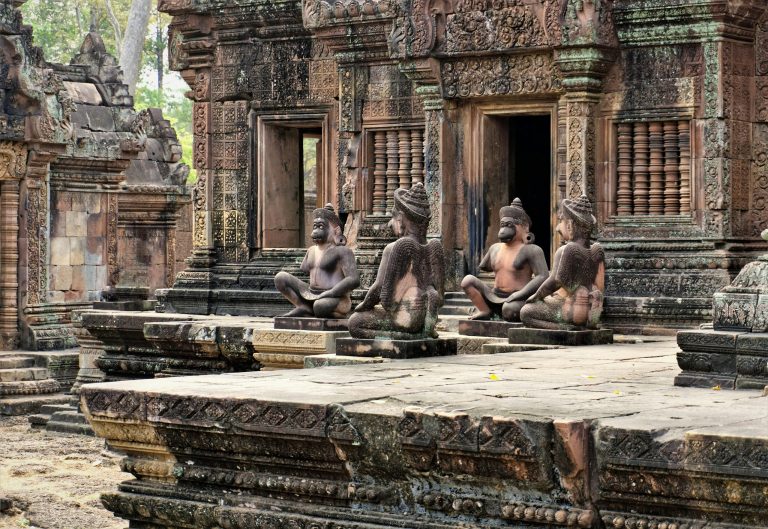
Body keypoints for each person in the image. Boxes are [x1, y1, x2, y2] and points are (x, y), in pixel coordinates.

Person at [349, 182, 444, 339]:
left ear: (401, 218)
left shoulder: (397, 247)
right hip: (423, 319)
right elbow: (439, 297)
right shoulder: (434, 246)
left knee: (354, 323)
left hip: (403, 318)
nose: (390, 223)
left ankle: (406, 338)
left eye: (393, 216)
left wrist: (363, 305)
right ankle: (420, 333)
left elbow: (380, 289)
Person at [520, 195, 605, 330]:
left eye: (561, 221)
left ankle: (563, 328)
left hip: (568, 310)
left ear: (570, 225)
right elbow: (599, 286)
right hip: (588, 312)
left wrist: (536, 296)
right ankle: (581, 324)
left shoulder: (568, 249)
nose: (558, 228)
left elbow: (555, 281)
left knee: (525, 312)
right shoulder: (597, 250)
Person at [461, 198, 549, 321]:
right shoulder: (494, 248)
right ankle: (484, 310)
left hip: (518, 298)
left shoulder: (532, 250)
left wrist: (520, 294)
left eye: (509, 224)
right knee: (467, 280)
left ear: (524, 227)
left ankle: (501, 311)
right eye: (502, 224)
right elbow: (485, 267)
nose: (504, 228)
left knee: (508, 310)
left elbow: (543, 276)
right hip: (494, 295)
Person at [274, 204, 360, 318]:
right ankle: (303, 307)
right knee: (280, 277)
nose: (315, 231)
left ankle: (338, 317)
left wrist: (331, 292)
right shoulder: (311, 250)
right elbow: (305, 269)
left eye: (320, 226)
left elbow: (354, 279)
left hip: (335, 298)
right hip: (310, 294)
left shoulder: (342, 251)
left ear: (336, 231)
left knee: (319, 307)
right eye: (314, 227)